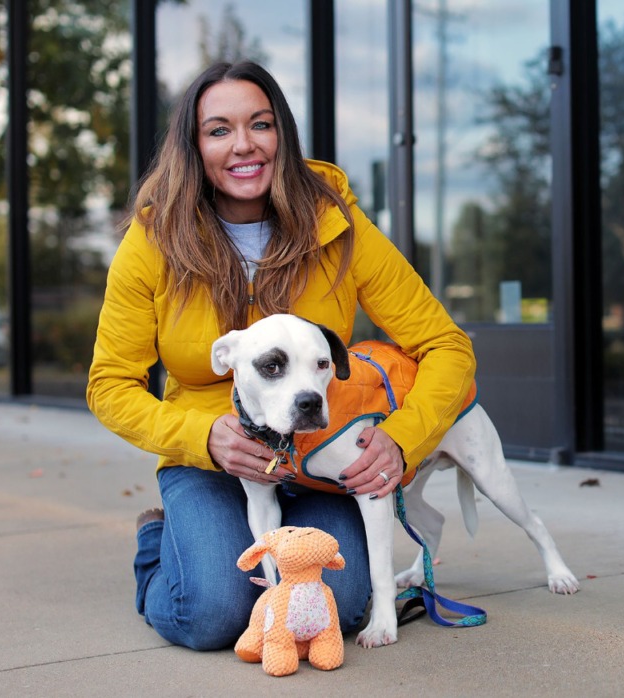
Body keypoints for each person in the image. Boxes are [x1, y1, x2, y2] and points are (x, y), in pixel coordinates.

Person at [86, 60, 475, 651]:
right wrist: (201, 436)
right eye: (219, 130)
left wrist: (402, 437)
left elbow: (447, 345)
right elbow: (110, 384)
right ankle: (157, 544)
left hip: (322, 453)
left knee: (336, 608)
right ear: (193, 147)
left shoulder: (333, 223)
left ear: (282, 135)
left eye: (260, 124)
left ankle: (216, 555)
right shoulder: (154, 240)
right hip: (212, 461)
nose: (243, 145)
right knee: (211, 613)